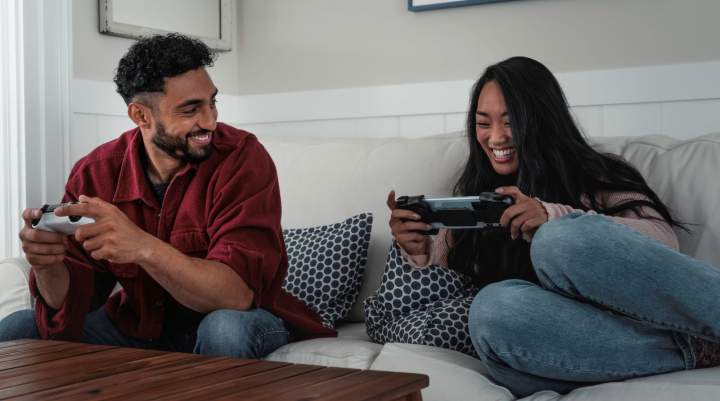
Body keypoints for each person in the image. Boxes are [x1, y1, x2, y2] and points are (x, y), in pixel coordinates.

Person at [387, 56, 720, 396]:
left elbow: (663, 244)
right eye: (483, 123)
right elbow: (449, 296)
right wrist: (419, 253)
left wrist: (550, 216)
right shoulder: (474, 200)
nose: (496, 137)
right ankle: (698, 349)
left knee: (557, 239)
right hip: (551, 353)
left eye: (510, 121)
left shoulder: (594, 175)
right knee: (492, 308)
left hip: (626, 320)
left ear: (542, 120)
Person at [0, 33, 334, 358]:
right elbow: (72, 305)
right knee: (19, 328)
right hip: (138, 328)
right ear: (141, 116)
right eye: (190, 110)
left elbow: (236, 295)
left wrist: (143, 246)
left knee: (224, 329)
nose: (210, 121)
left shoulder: (243, 158)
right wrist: (47, 267)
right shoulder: (95, 172)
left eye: (212, 102)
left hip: (243, 318)